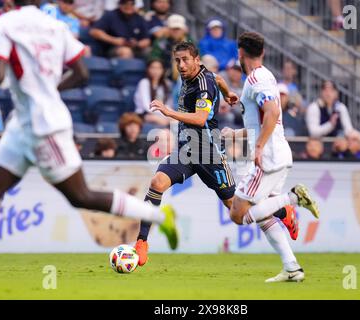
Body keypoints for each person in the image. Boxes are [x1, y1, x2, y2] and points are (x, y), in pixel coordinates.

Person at [0, 0, 178, 266]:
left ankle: (160, 214)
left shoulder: (1, 25)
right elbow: (82, 72)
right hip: (23, 124)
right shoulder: (56, 26)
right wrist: (50, 91)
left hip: (42, 127)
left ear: (9, 2)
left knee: (80, 196)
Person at [221, 32, 320, 282]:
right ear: (262, 53)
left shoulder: (256, 79)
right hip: (276, 152)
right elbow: (265, 121)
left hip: (268, 157)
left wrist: (258, 147)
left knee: (237, 213)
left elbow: (273, 112)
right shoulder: (265, 76)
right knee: (262, 214)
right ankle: (292, 268)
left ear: (240, 53)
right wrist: (239, 134)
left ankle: (293, 198)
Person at [134, 41, 240, 267]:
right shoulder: (195, 75)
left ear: (196, 60)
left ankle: (282, 211)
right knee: (157, 182)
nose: (181, 65)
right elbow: (218, 78)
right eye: (177, 61)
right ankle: (141, 242)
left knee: (237, 212)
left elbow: (201, 119)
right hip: (186, 150)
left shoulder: (202, 84)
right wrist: (228, 93)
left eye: (185, 60)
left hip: (209, 154)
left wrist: (168, 111)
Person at [149, 14, 192, 80]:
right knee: (155, 65)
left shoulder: (190, 42)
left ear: (183, 29)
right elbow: (154, 57)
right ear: (168, 29)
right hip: (165, 76)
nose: (176, 31)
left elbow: (199, 57)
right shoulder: (160, 42)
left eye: (178, 29)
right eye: (173, 29)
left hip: (186, 76)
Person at [134, 59, 172, 130]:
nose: (156, 71)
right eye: (153, 68)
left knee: (177, 120)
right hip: (144, 114)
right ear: (148, 69)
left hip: (162, 114)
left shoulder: (166, 84)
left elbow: (168, 104)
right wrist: (164, 113)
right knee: (160, 120)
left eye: (158, 68)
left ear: (163, 70)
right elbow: (147, 107)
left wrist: (169, 113)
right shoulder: (144, 83)